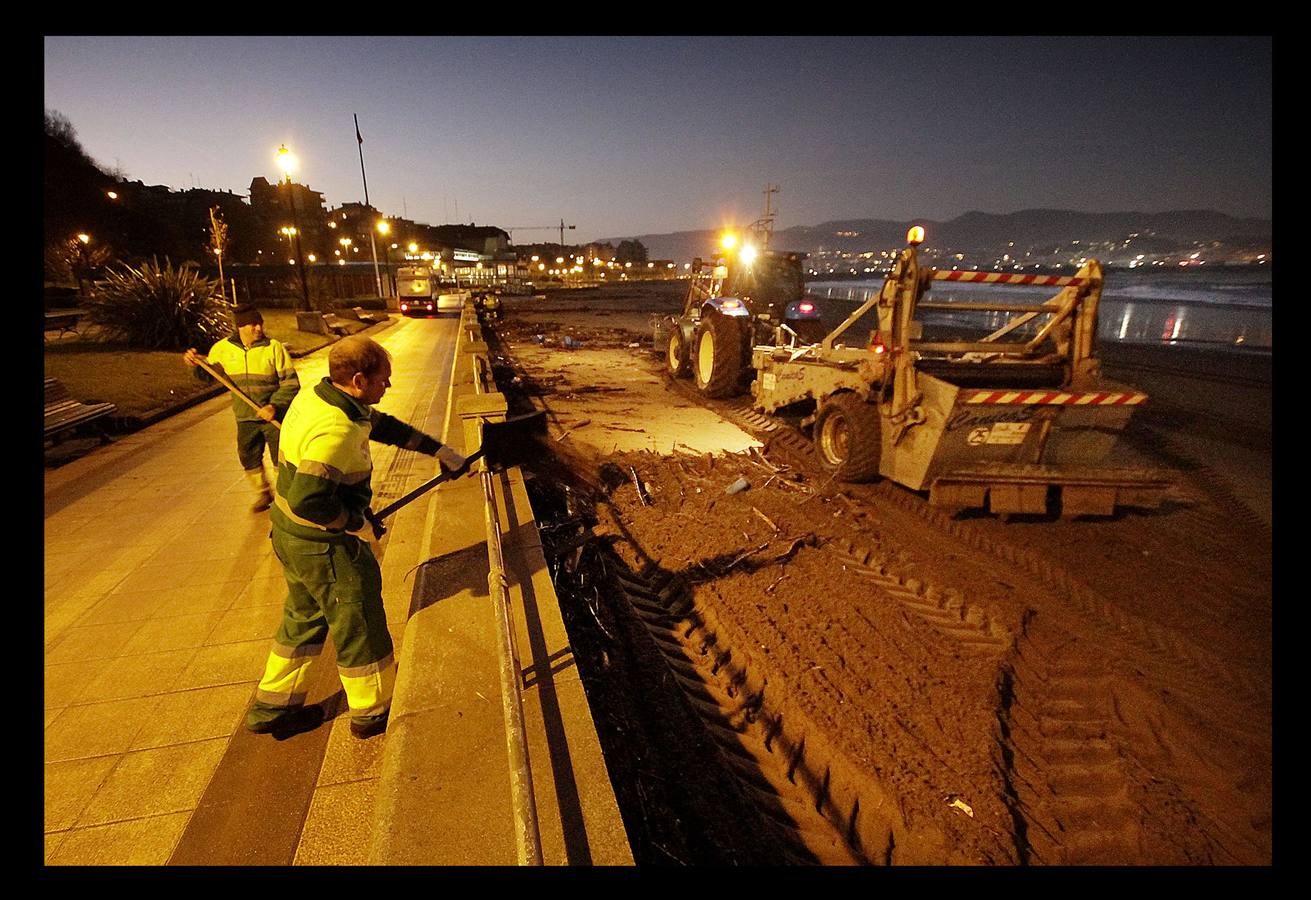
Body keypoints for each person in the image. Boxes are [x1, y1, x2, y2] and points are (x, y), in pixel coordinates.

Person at [245, 335, 467, 739]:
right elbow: (311, 499)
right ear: (360, 380)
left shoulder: (322, 395)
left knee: (304, 618)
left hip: (290, 535)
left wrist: (438, 450)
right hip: (321, 545)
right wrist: (353, 523)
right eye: (384, 380)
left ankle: (272, 708)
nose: (390, 386)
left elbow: (379, 425)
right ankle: (372, 711)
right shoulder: (336, 429)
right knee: (359, 620)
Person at [184, 305, 299, 512]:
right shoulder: (222, 349)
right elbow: (209, 376)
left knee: (280, 458)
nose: (258, 328)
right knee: (248, 456)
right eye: (252, 324)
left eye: (260, 323)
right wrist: (196, 364)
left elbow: (291, 383)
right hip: (245, 417)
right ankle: (263, 493)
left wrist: (274, 405)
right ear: (240, 327)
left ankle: (285, 497)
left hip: (274, 416)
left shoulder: (274, 348)